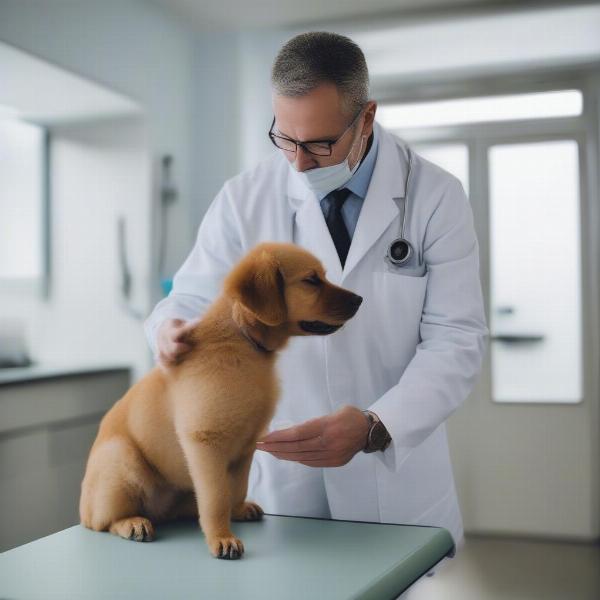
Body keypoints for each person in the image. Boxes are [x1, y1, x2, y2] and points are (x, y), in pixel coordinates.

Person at [144, 31, 488, 597]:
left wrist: (377, 427)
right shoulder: (245, 198)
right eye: (284, 138)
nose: (299, 164)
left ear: (367, 117)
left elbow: (457, 339)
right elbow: (188, 297)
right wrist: (169, 331)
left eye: (321, 144)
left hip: (393, 489)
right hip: (282, 478)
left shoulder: (434, 196)